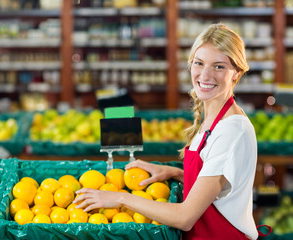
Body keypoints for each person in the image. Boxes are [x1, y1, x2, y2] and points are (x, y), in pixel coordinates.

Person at [74, 23, 265, 240]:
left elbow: (185, 217)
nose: (205, 74)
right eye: (199, 63)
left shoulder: (232, 129)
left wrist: (120, 198)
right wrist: (174, 173)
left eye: (219, 66)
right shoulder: (213, 117)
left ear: (236, 73)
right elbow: (218, 188)